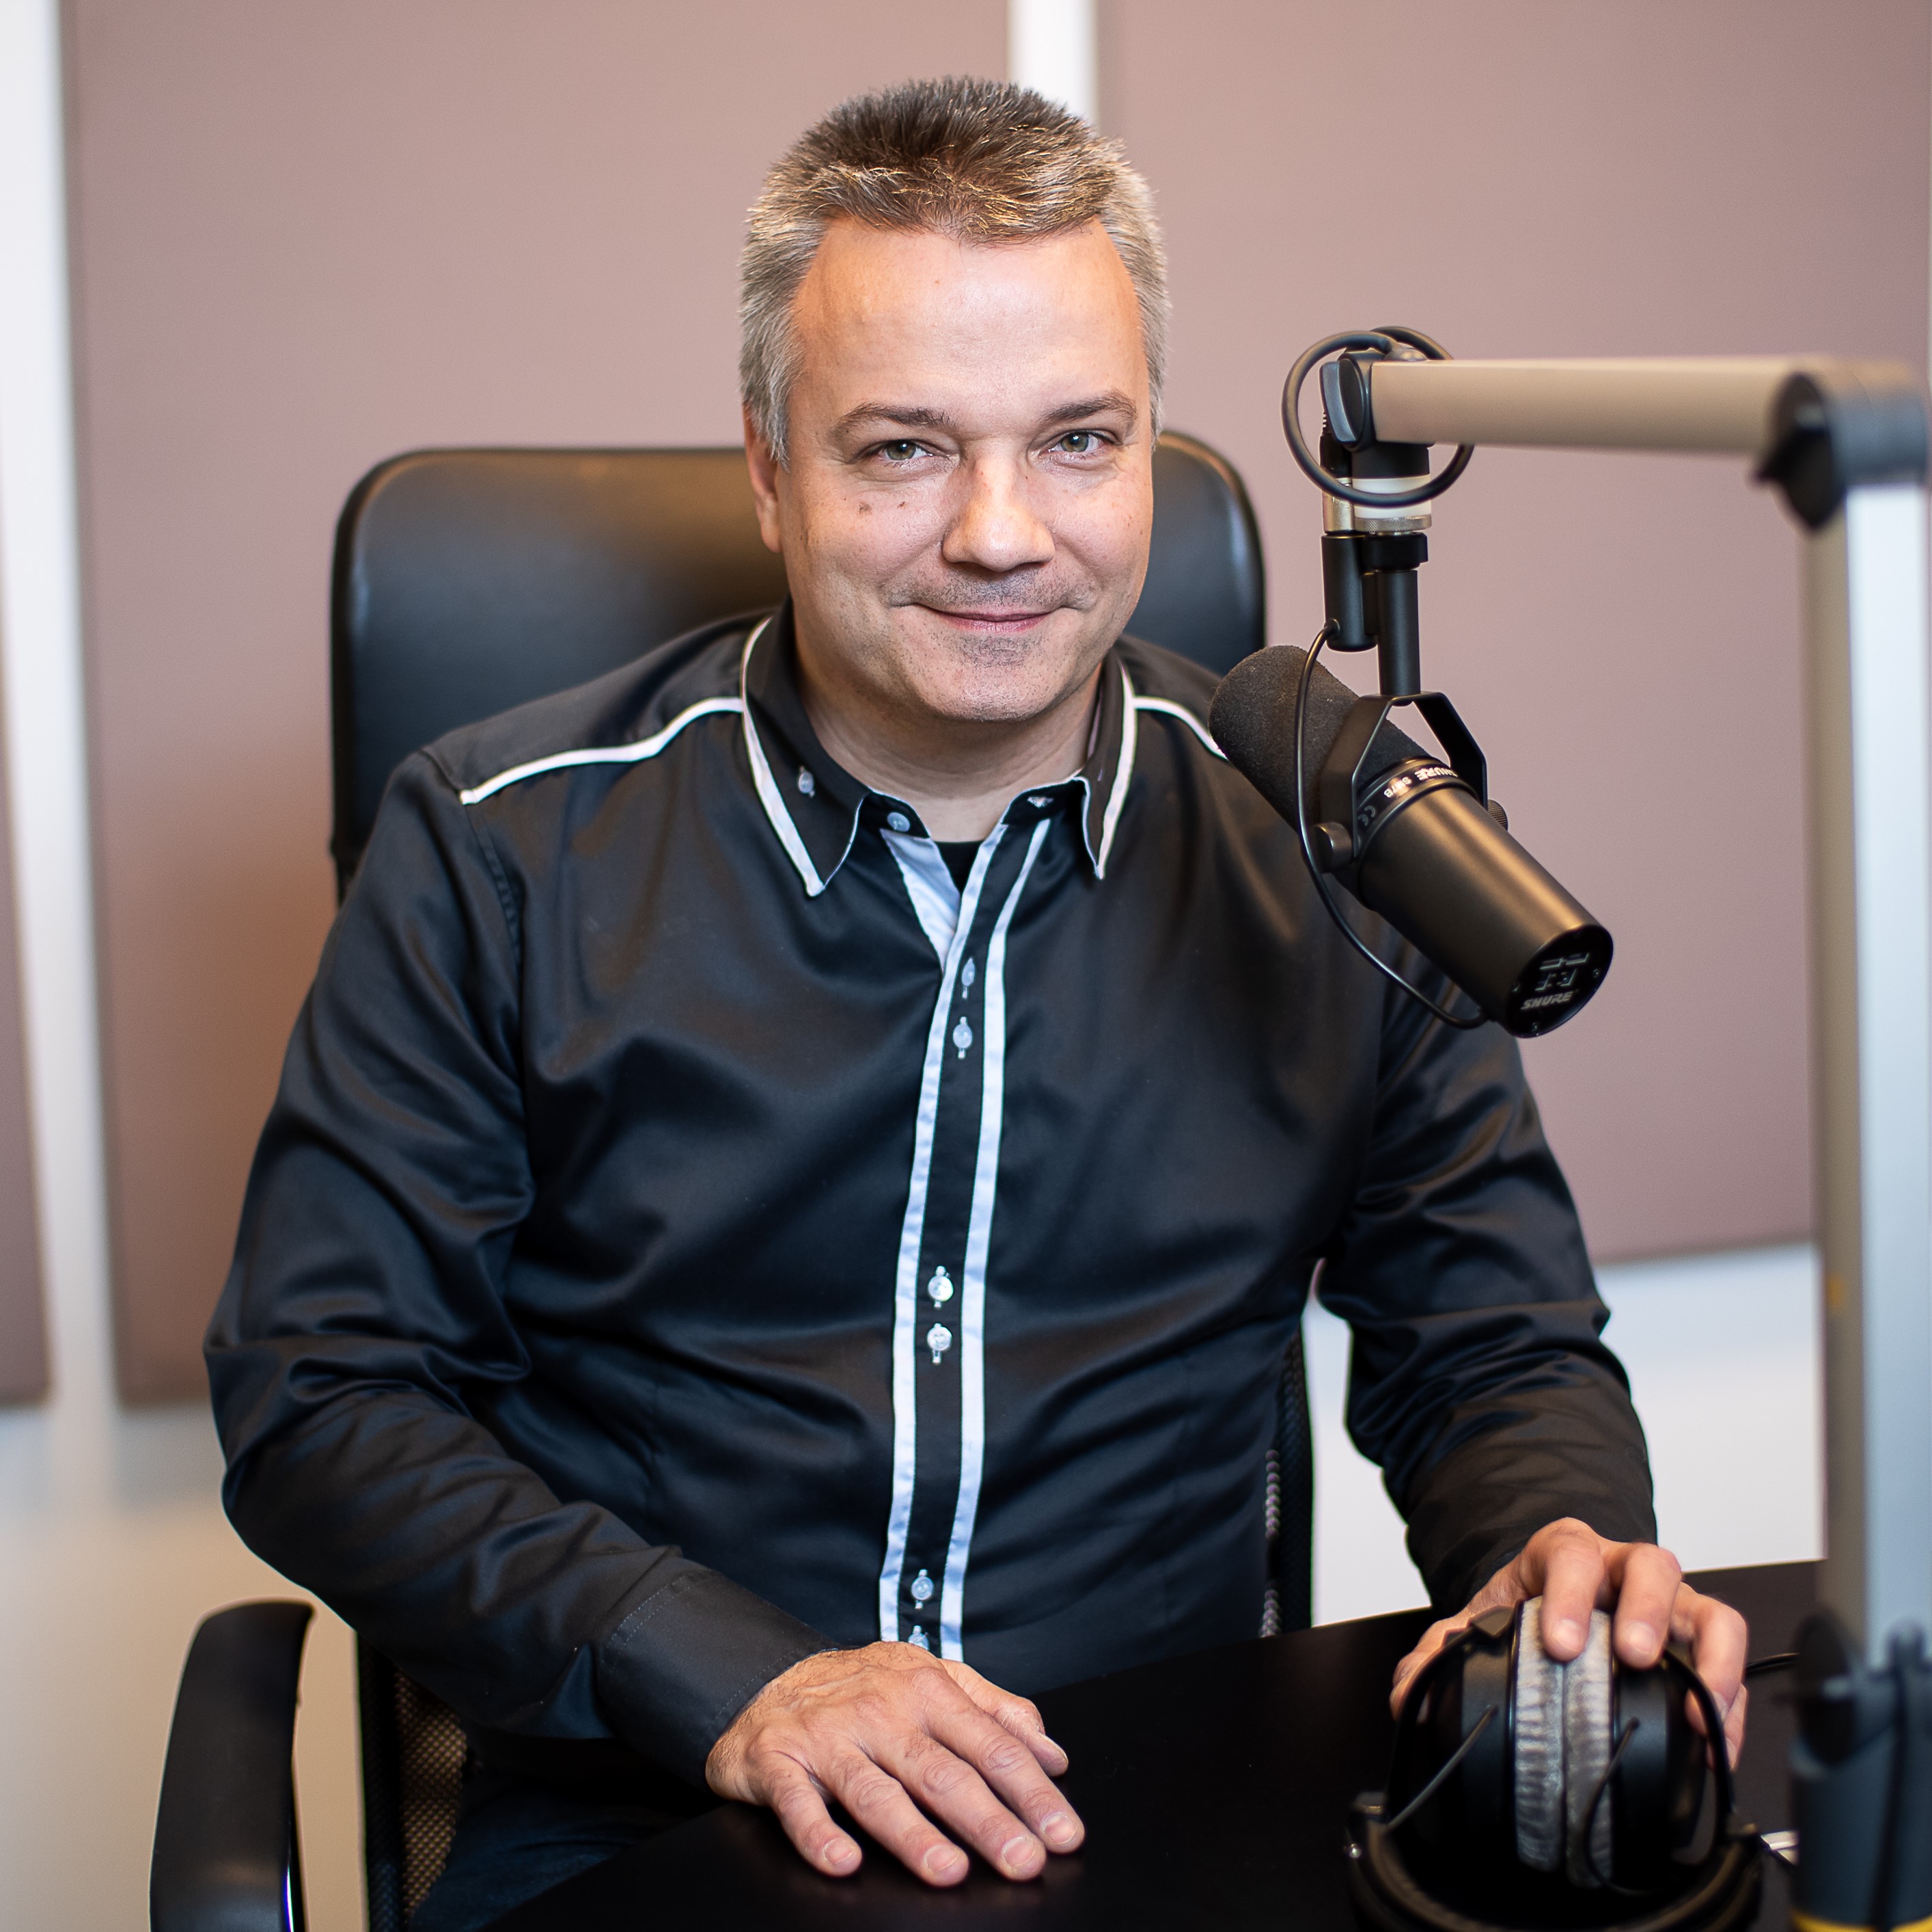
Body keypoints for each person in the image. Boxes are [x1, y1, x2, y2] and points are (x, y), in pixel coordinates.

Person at [206, 77, 1747, 1931]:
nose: (1006, 533)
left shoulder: (1337, 842)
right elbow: (324, 1395)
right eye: (905, 450)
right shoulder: (493, 847)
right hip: (649, 1813)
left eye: (1078, 441)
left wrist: (1554, 1545)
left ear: (1149, 442)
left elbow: (1488, 1346)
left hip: (1160, 1796)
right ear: (770, 469)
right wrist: (735, 1677)